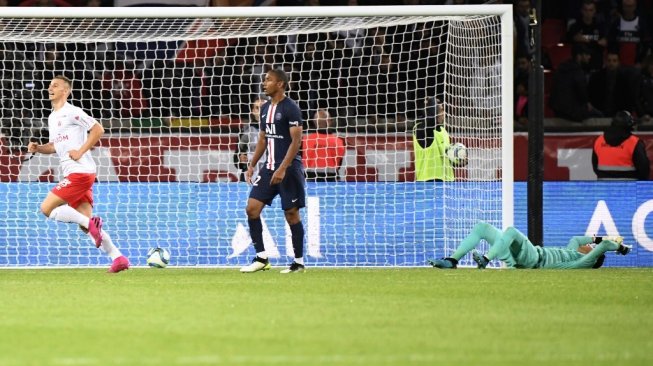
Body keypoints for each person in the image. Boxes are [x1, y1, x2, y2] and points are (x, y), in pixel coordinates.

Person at [27, 75, 129, 273]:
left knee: (47, 208)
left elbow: (98, 129)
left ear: (65, 91)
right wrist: (38, 148)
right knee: (84, 225)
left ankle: (92, 224)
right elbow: (54, 146)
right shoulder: (52, 117)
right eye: (49, 85)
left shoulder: (72, 112)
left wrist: (80, 151)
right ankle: (118, 258)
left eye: (55, 85)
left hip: (80, 171)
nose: (50, 88)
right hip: (76, 174)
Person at [239, 69, 306, 274]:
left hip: (289, 168)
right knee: (252, 209)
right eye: (264, 79)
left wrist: (283, 168)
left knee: (291, 214)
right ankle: (261, 258)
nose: (264, 83)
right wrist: (252, 164)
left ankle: (298, 262)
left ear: (280, 84)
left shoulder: (291, 108)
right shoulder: (265, 107)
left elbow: (296, 141)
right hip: (268, 168)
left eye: (268, 80)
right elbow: (262, 139)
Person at [429, 221, 632, 270]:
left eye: (590, 250)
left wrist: (620, 248)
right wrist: (595, 239)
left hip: (534, 259)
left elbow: (604, 245)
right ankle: (452, 260)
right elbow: (578, 239)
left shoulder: (581, 263)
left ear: (593, 256)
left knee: (511, 232)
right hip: (523, 256)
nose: (586, 247)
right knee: (482, 227)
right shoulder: (572, 250)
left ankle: (486, 260)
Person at [413, 97, 464, 182]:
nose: (443, 113)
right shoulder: (420, 129)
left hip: (447, 182)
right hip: (428, 183)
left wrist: (458, 160)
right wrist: (432, 100)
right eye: (440, 110)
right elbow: (431, 119)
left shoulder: (443, 131)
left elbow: (445, 159)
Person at [549, 43, 603, 122]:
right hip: (572, 111)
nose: (589, 57)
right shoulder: (577, 71)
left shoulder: (562, 67)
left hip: (558, 110)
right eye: (586, 54)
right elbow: (581, 91)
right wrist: (586, 103)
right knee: (600, 116)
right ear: (579, 56)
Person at [592, 110, 650, 180]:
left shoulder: (599, 140)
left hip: (604, 188)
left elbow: (595, 167)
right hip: (629, 188)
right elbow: (644, 170)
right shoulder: (634, 142)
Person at [302, 108, 346, 182]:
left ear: (314, 122)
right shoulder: (339, 141)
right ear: (329, 121)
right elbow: (339, 164)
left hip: (309, 178)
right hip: (331, 178)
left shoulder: (305, 140)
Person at [233, 97, 265, 182]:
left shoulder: (277, 129)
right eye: (257, 108)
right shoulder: (246, 131)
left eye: (263, 108)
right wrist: (240, 159)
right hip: (249, 177)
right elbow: (237, 159)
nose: (260, 111)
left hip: (269, 176)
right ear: (253, 111)